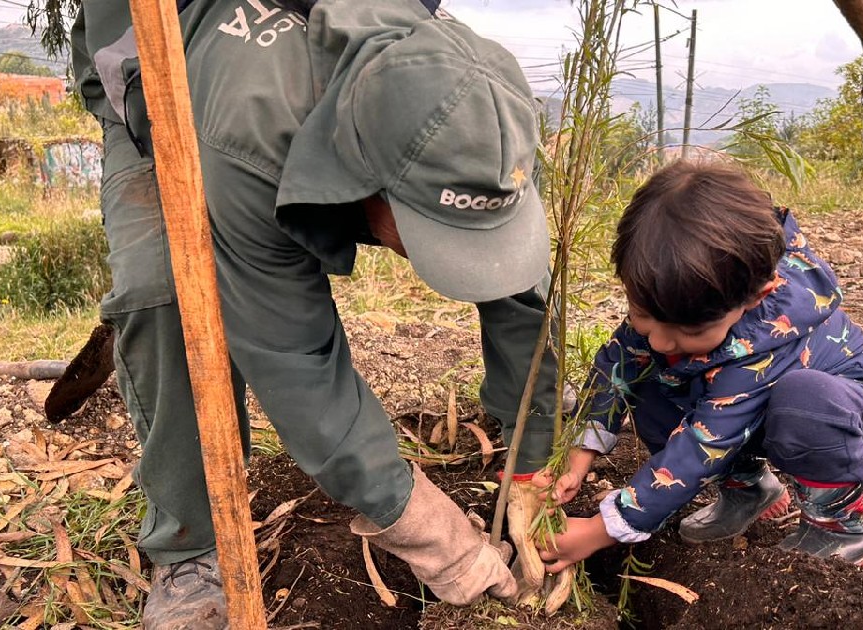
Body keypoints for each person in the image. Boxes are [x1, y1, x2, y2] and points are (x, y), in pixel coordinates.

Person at [71, 0, 562, 626]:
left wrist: (530, 460)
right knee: (165, 291)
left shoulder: (478, 108)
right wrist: (432, 536)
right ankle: (190, 546)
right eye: (435, 234)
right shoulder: (247, 140)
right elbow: (295, 359)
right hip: (161, 72)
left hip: (287, 98)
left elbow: (516, 286)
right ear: (366, 185)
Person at [536, 161, 863, 573]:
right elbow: (617, 367)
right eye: (642, 315)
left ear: (756, 296)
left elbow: (701, 445)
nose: (658, 339)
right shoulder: (680, 301)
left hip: (847, 403)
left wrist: (599, 530)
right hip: (748, 405)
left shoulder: (765, 335)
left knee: (803, 403)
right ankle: (746, 490)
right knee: (652, 379)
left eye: (688, 331)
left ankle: (838, 527)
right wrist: (578, 454)